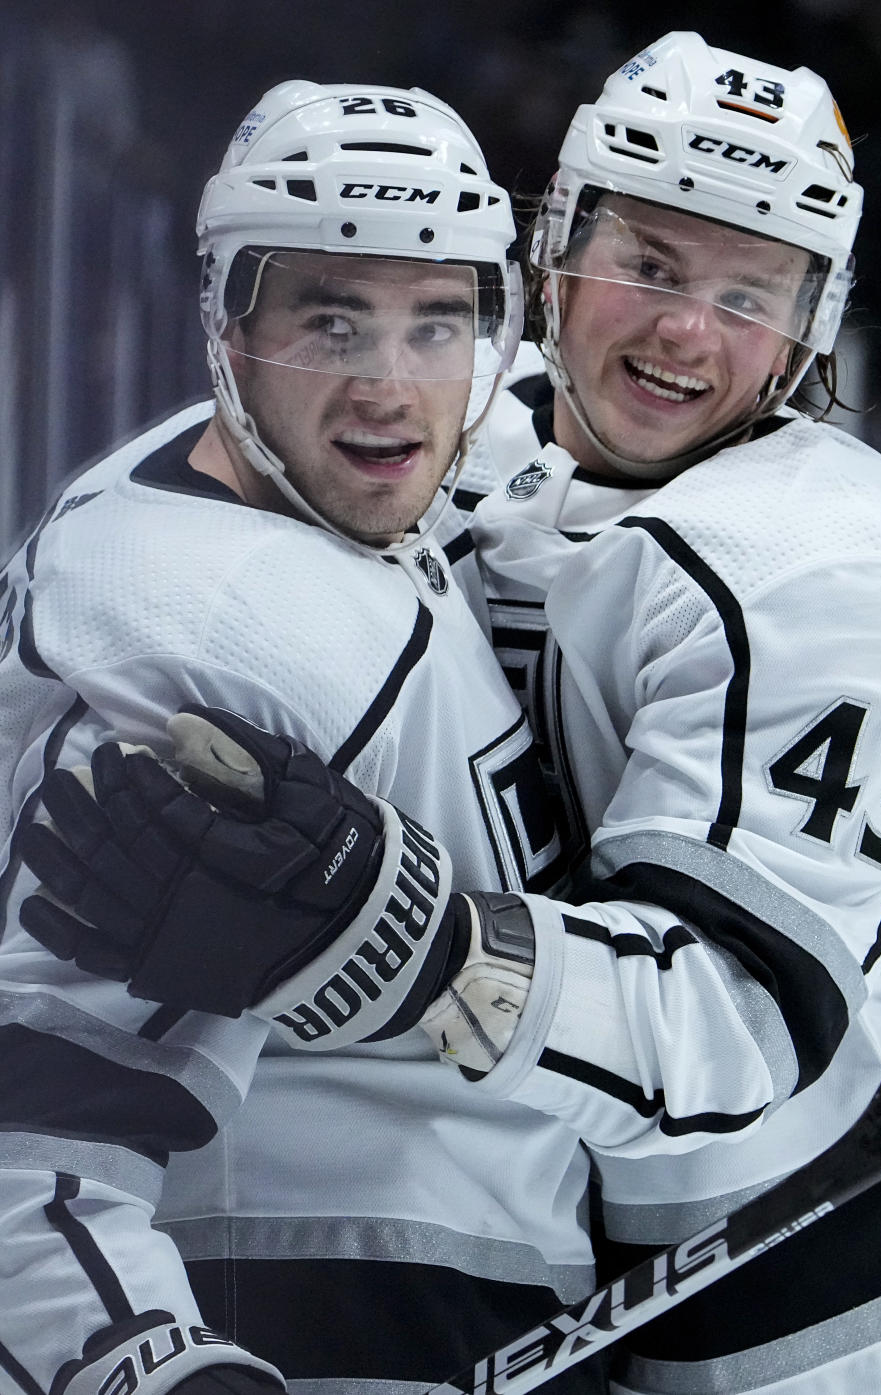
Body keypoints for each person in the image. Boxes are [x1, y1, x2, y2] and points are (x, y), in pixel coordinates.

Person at [14, 32, 881, 1395]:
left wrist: (426, 943)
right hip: (553, 1278)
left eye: (749, 293)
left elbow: (740, 1026)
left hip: (783, 1337)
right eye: (650, 265)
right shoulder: (467, 417)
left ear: (814, 325)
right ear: (555, 244)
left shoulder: (829, 568)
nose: (687, 331)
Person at [0, 81, 607, 1395]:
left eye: (436, 323)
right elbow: (36, 1135)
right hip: (332, 1310)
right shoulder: (209, 642)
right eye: (331, 321)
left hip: (504, 1277)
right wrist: (142, 1364)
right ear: (228, 327)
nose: (390, 387)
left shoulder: (329, 477)